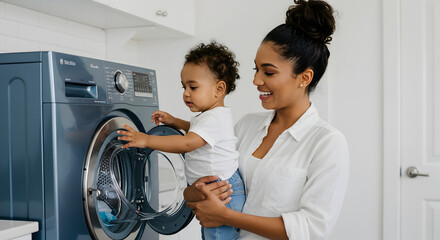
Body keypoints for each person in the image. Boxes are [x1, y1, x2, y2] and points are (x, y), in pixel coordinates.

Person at [184, 0, 349, 239]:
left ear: (304, 77)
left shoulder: (328, 143)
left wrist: (226, 217)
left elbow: (312, 229)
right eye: (256, 70)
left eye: (268, 72)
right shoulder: (246, 125)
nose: (256, 81)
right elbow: (199, 189)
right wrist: (195, 193)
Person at [117, 41, 246, 240]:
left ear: (219, 89)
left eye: (193, 87)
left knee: (216, 236)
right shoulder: (211, 116)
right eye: (184, 86)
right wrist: (174, 121)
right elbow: (194, 130)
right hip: (220, 187)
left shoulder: (213, 118)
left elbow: (187, 143)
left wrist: (146, 140)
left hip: (222, 191)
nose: (186, 93)